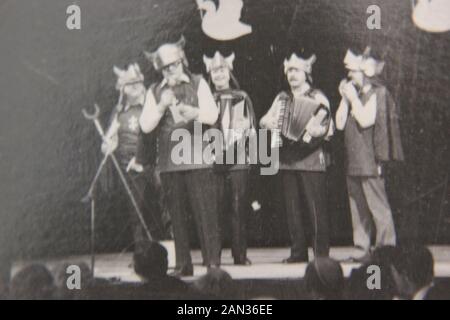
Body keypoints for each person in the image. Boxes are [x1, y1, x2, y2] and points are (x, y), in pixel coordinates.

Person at [140, 36, 221, 276]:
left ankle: (212, 264)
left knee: (205, 213)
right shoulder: (154, 91)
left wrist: (195, 112)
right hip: (169, 163)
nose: (171, 70)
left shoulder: (198, 83)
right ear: (159, 68)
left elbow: (212, 114)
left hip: (197, 159)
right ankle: (183, 265)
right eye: (166, 67)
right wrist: (162, 106)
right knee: (176, 218)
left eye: (174, 64)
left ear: (182, 61)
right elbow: (145, 126)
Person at [260, 52, 334, 263]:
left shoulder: (318, 97)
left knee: (315, 209)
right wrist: (268, 123)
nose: (292, 75)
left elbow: (329, 129)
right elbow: (265, 119)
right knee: (292, 209)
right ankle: (298, 253)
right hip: (287, 159)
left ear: (306, 73)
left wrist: (314, 130)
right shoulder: (282, 98)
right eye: (289, 71)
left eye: (296, 71)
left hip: (311, 158)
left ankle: (321, 255)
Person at [336, 47, 404, 261]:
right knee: (358, 209)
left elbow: (366, 120)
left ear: (366, 72)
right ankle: (362, 249)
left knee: (378, 207)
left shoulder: (378, 93)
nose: (349, 75)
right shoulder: (352, 95)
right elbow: (339, 124)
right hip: (354, 160)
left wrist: (353, 98)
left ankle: (386, 250)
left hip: (371, 159)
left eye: (353, 71)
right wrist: (345, 100)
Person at [102, 63, 164, 249]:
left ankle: (167, 252)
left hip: (154, 163)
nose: (135, 86)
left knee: (164, 207)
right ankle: (142, 253)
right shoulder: (118, 112)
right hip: (129, 166)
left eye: (137, 82)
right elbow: (107, 143)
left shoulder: (152, 106)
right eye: (130, 84)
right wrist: (108, 145)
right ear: (122, 88)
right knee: (136, 212)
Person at [203, 51, 256, 265]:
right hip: (212, 160)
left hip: (238, 159)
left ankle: (239, 255)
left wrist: (245, 131)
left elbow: (251, 128)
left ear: (229, 72)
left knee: (237, 208)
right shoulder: (206, 100)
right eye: (214, 71)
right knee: (213, 210)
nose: (218, 75)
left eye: (222, 70)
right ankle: (213, 257)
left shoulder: (241, 97)